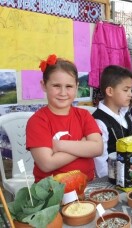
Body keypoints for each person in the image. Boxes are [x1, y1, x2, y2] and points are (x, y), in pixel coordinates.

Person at [27, 54, 103, 183]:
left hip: (87, 185)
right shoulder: (37, 121)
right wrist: (83, 145)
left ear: (77, 86)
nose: (63, 92)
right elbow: (47, 164)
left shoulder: (84, 116)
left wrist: (59, 145)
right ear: (44, 85)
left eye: (69, 86)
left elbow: (98, 148)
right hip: (51, 193)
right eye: (56, 86)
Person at [92, 65, 132, 178]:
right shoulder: (99, 121)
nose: (130, 94)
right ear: (110, 91)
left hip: (131, 173)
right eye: (126, 90)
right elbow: (100, 161)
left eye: (131, 89)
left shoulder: (126, 113)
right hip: (112, 179)